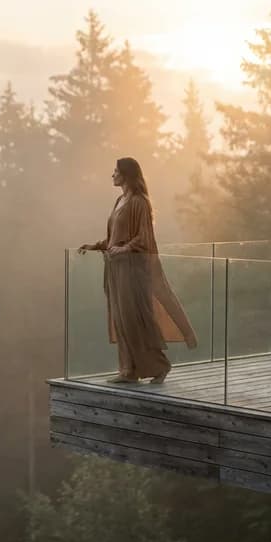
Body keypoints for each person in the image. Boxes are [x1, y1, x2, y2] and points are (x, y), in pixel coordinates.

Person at [80, 157, 198, 384]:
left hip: (132, 270)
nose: (112, 175)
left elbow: (143, 236)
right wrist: (96, 246)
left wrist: (124, 249)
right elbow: (115, 237)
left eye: (116, 171)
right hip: (116, 270)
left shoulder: (139, 202)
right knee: (121, 320)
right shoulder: (119, 200)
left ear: (126, 174)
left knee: (134, 319)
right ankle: (129, 371)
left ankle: (159, 366)